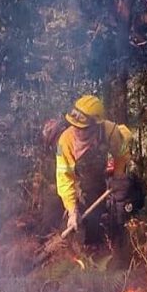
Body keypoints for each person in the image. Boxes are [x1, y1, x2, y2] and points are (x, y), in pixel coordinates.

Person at [55, 95, 134, 246]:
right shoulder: (65, 142)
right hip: (81, 182)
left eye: (83, 128)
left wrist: (118, 177)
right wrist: (72, 211)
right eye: (75, 125)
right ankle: (93, 248)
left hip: (106, 173)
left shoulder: (110, 131)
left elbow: (122, 153)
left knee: (125, 201)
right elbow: (64, 179)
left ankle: (124, 241)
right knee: (90, 219)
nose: (77, 131)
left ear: (96, 125)